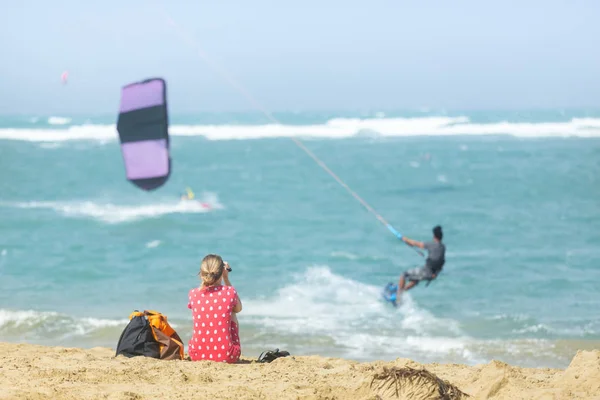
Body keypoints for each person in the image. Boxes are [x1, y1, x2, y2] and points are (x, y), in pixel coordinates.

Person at [187, 254, 242, 363]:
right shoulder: (229, 291)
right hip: (227, 355)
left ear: (201, 273)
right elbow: (239, 308)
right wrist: (226, 279)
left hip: (196, 355)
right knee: (232, 312)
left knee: (205, 311)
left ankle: (204, 347)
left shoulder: (193, 294)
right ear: (222, 271)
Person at [397, 225, 446, 298]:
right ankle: (403, 291)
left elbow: (415, 243)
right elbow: (441, 262)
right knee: (415, 279)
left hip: (427, 272)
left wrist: (404, 238)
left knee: (404, 275)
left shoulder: (431, 244)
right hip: (433, 275)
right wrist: (435, 273)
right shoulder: (443, 247)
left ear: (434, 236)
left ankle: (398, 298)